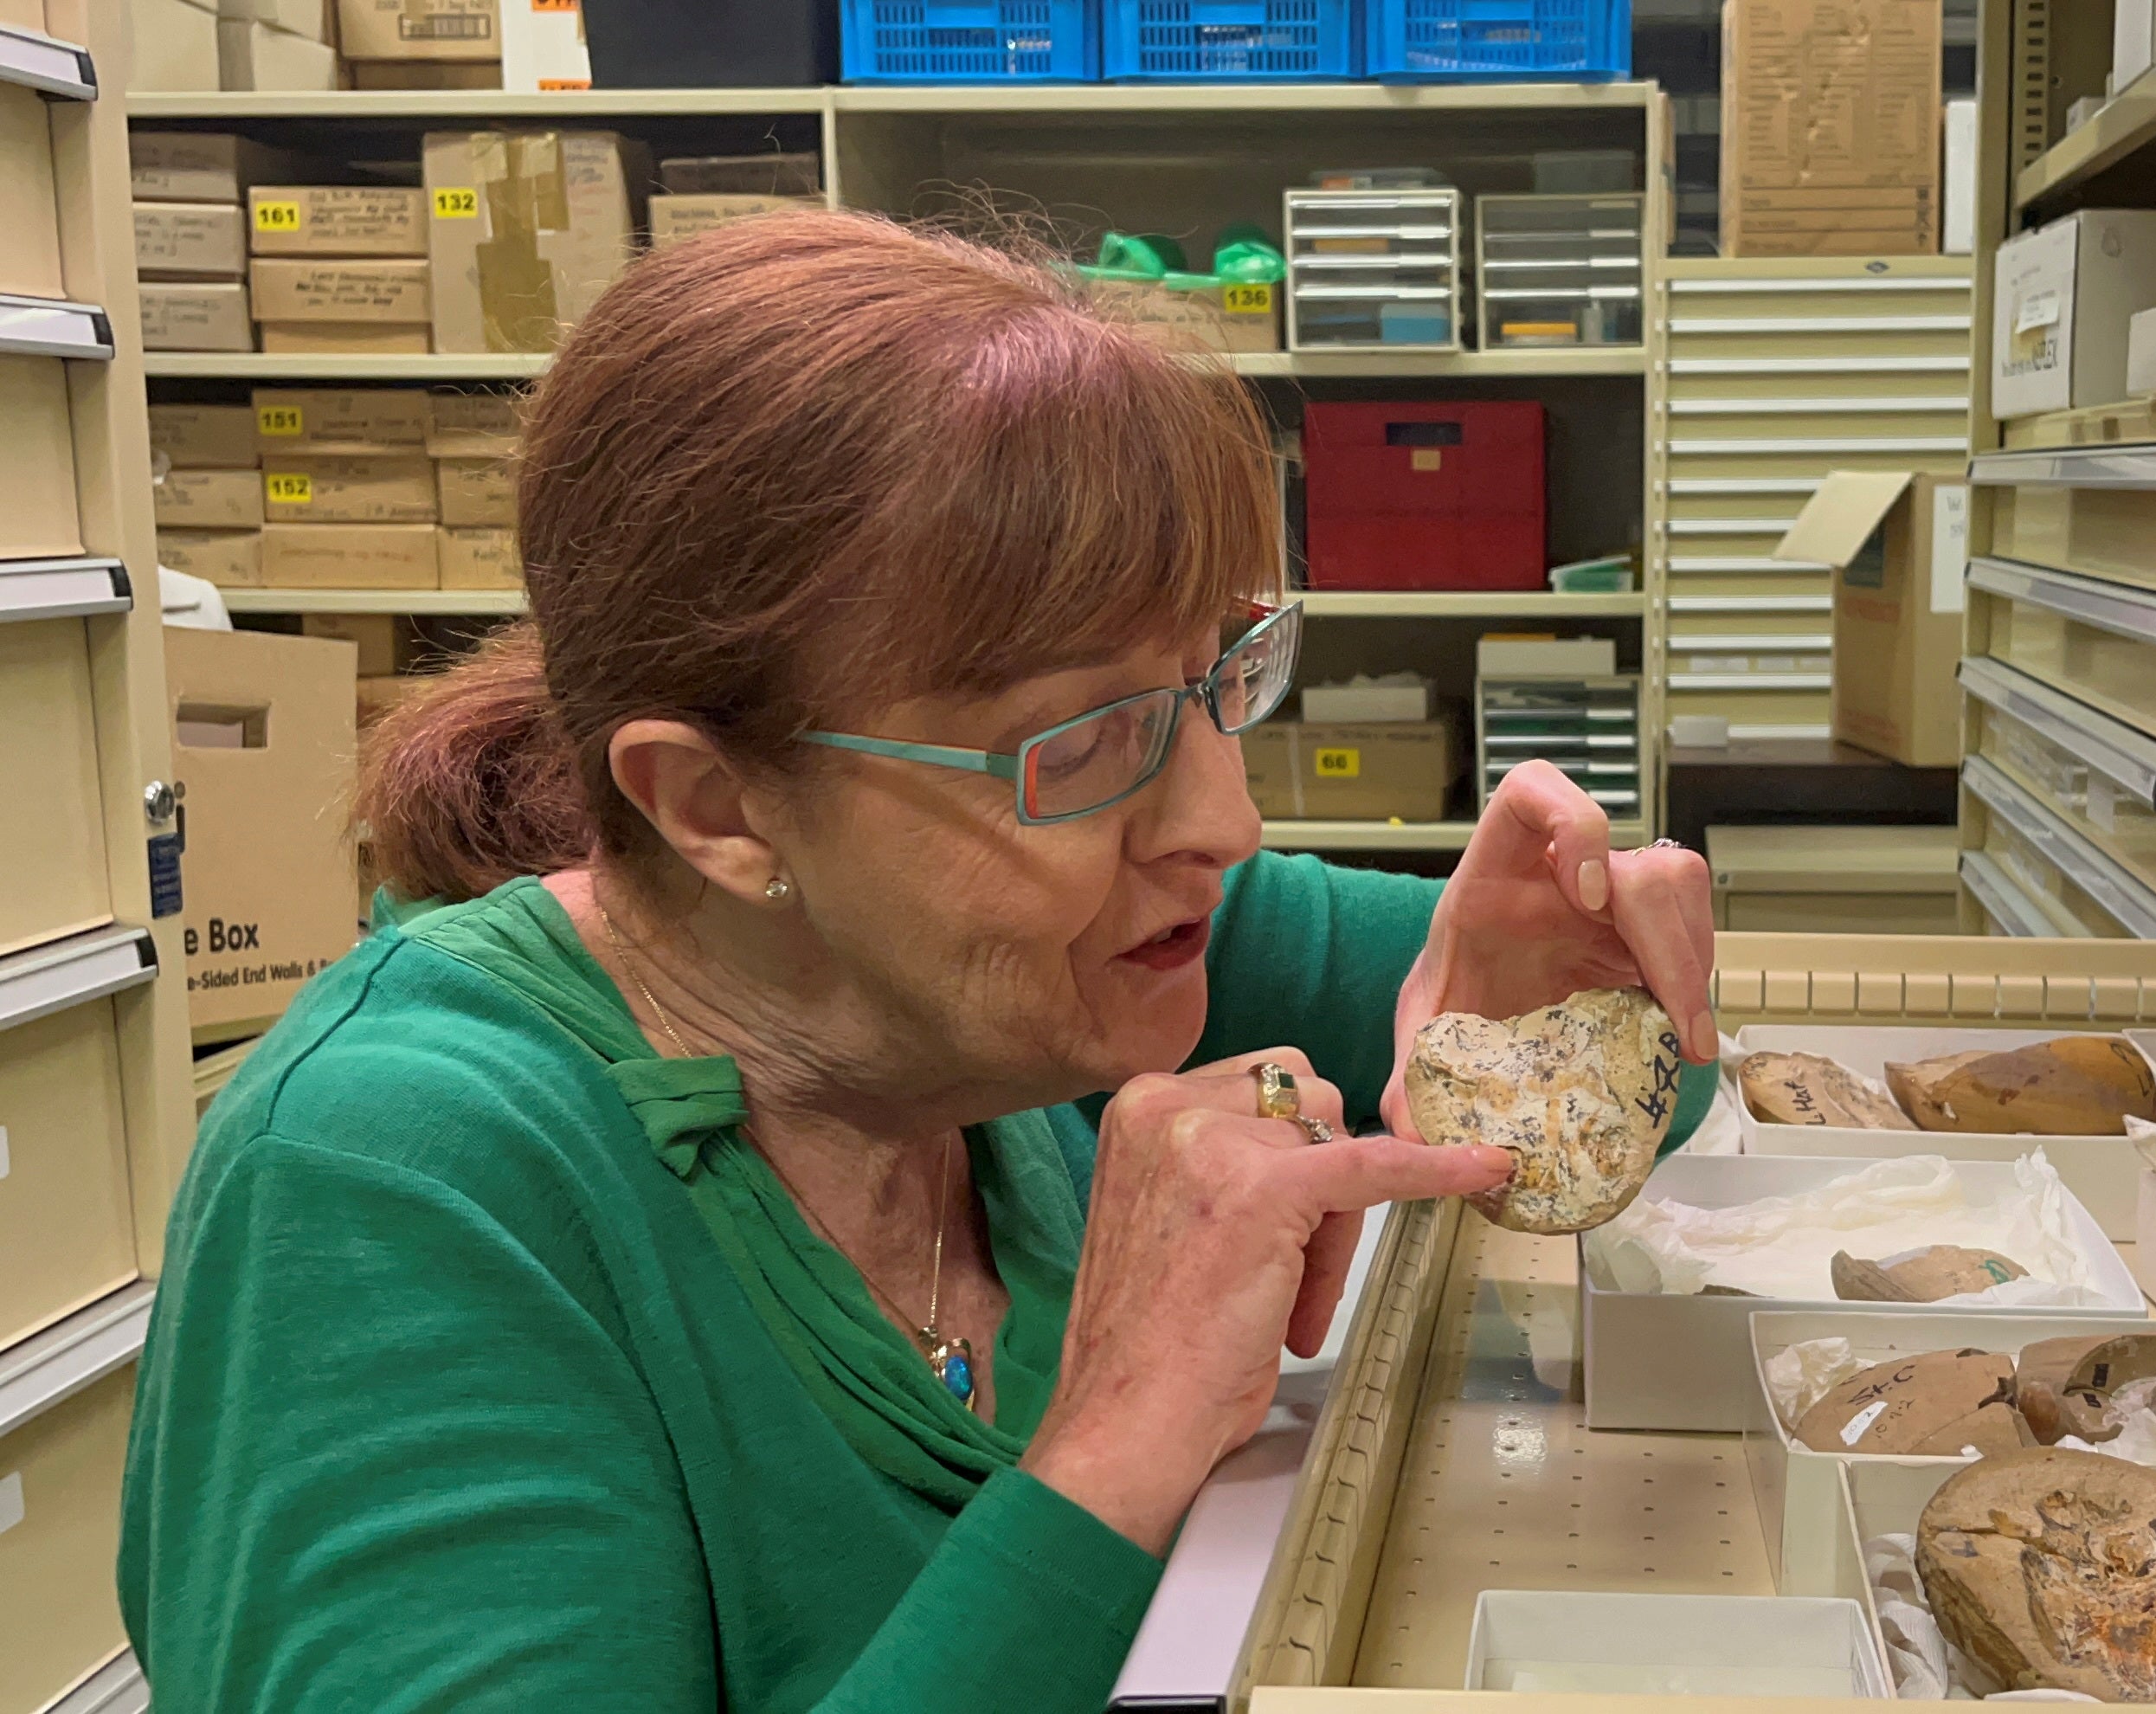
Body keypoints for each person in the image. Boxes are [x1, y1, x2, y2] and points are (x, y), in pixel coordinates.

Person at [119, 211, 1718, 1713]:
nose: (1224, 822)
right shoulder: (388, 1181)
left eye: (1218, 677)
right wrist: (1117, 1441)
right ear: (721, 807)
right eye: (1084, 739)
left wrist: (1563, 996)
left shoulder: (1038, 945)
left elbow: (1684, 1077)